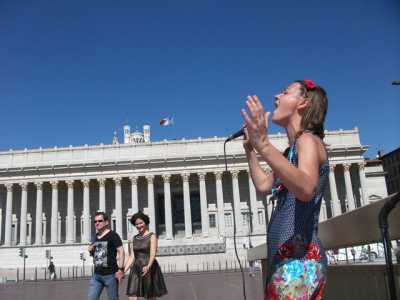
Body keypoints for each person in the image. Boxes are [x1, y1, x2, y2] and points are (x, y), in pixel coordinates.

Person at [241, 79, 329, 299]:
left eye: (284, 92)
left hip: (299, 263)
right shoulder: (290, 152)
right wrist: (250, 149)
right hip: (284, 261)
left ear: (302, 103)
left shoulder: (308, 140)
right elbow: (263, 185)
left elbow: (306, 188)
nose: (276, 97)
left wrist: (264, 145)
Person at [124, 211, 167, 300]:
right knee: (132, 295)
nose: (139, 226)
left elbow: (152, 254)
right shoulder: (135, 238)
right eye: (136, 224)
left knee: (150, 296)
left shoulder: (152, 236)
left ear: (145, 222)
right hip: (136, 269)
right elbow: (132, 256)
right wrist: (123, 270)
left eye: (141, 223)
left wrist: (148, 266)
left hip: (149, 268)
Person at [88, 211, 125, 300]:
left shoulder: (113, 235)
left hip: (110, 275)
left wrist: (120, 269)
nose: (97, 223)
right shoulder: (95, 236)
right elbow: (95, 254)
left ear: (106, 222)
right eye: (95, 221)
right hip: (97, 275)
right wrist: (91, 250)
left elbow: (121, 251)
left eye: (100, 221)